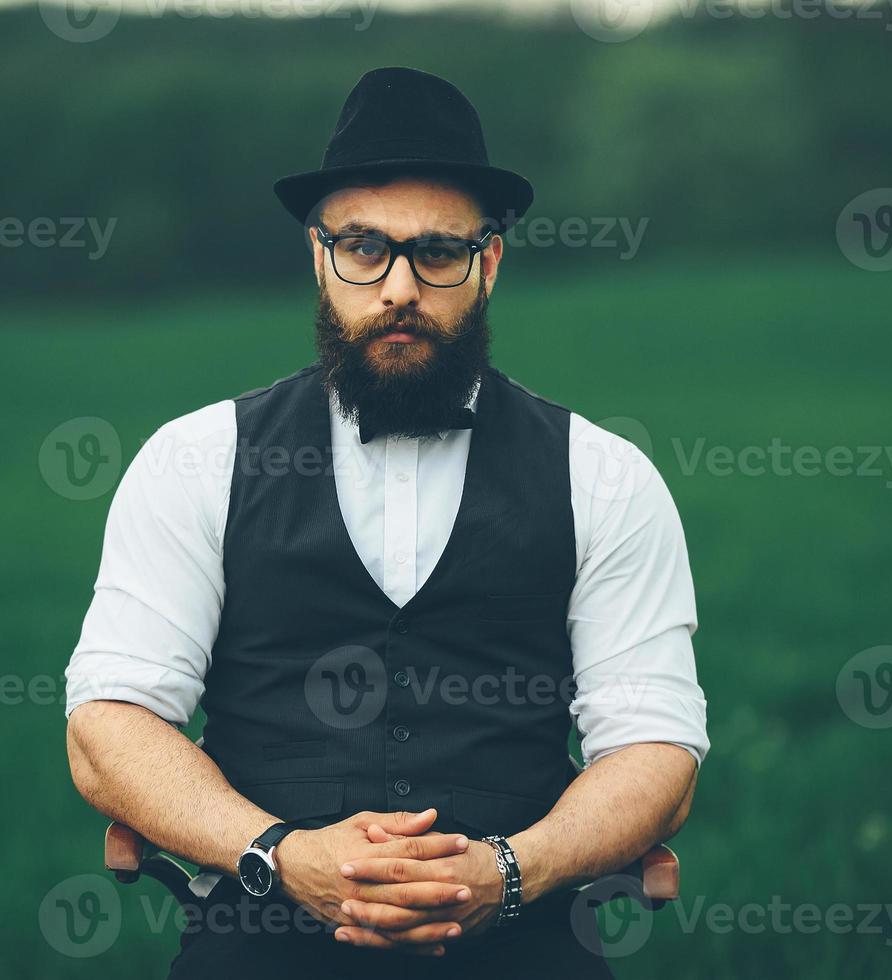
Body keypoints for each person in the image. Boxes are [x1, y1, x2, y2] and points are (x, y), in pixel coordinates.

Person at [64, 66, 708, 979]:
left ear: (488, 263)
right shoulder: (193, 460)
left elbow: (655, 746)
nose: (398, 286)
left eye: (436, 251)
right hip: (262, 943)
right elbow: (108, 726)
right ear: (318, 256)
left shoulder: (603, 477)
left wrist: (507, 876)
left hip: (523, 947)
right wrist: (281, 854)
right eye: (364, 247)